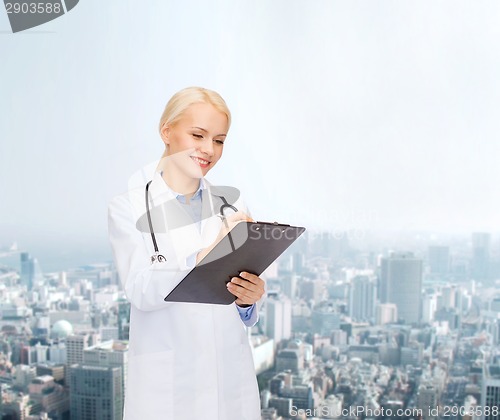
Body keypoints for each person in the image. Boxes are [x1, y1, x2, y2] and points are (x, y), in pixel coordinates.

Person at [107, 87, 265, 420]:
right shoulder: (129, 207)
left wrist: (249, 299)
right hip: (168, 393)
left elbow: (243, 304)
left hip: (229, 388)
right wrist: (207, 256)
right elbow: (141, 289)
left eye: (219, 140)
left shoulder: (233, 207)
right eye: (198, 135)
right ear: (166, 131)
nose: (209, 149)